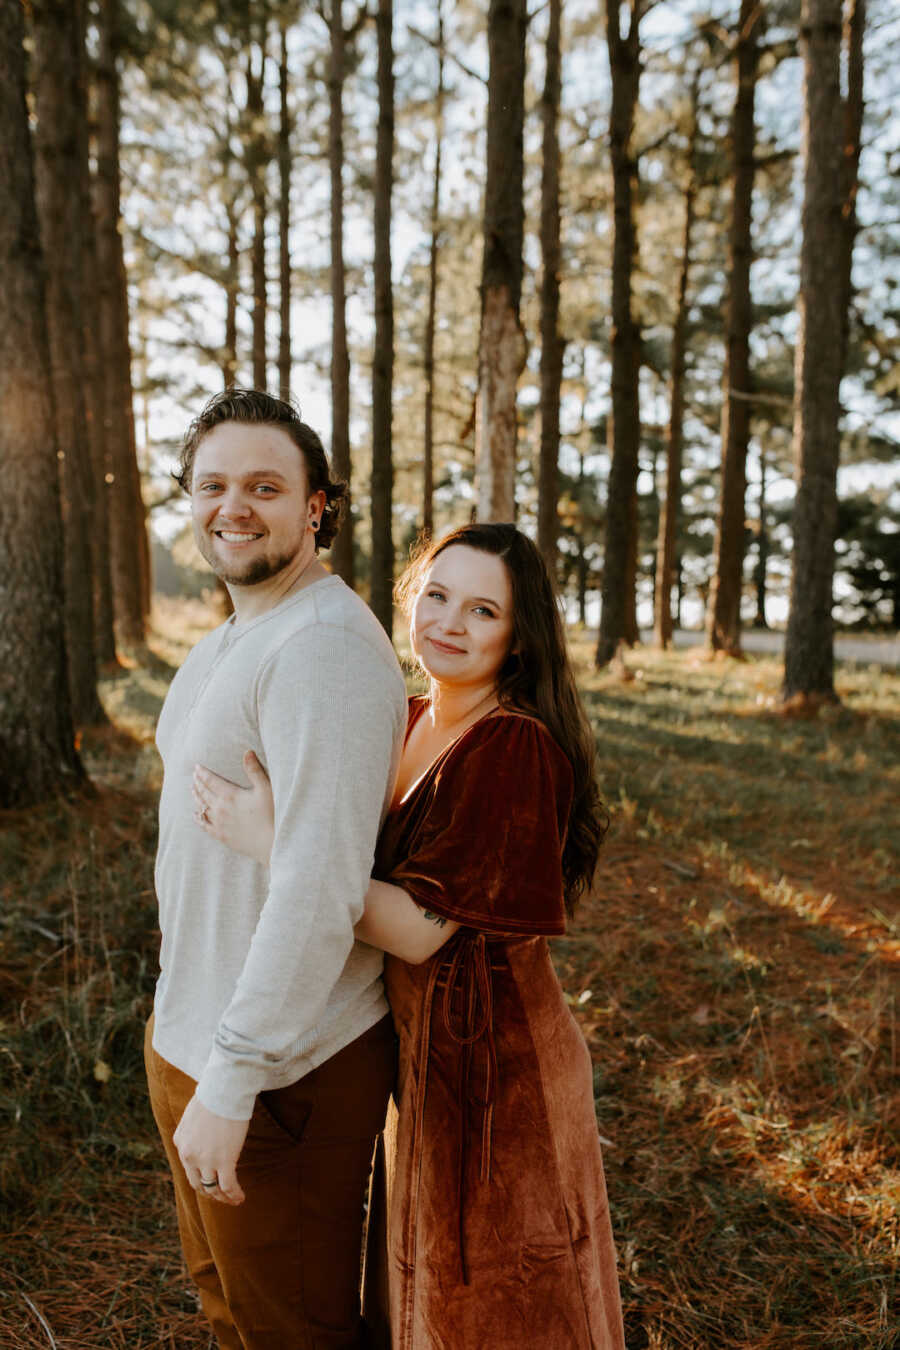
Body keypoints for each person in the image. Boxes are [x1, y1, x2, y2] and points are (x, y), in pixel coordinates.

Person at [193, 523, 627, 1349]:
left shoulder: (513, 747)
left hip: (501, 1069)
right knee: (427, 1283)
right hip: (424, 1049)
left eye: (482, 609)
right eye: (436, 595)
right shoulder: (412, 715)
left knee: (503, 1297)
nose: (449, 622)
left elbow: (418, 932)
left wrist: (274, 841)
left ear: (519, 634)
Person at [147, 388, 408, 1350]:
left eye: (265, 484)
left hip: (281, 1073)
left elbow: (318, 889)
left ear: (316, 507)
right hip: (197, 1038)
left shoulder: (324, 650)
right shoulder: (230, 637)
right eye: (213, 484)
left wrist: (234, 1076)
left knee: (292, 1334)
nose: (234, 506)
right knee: (233, 1314)